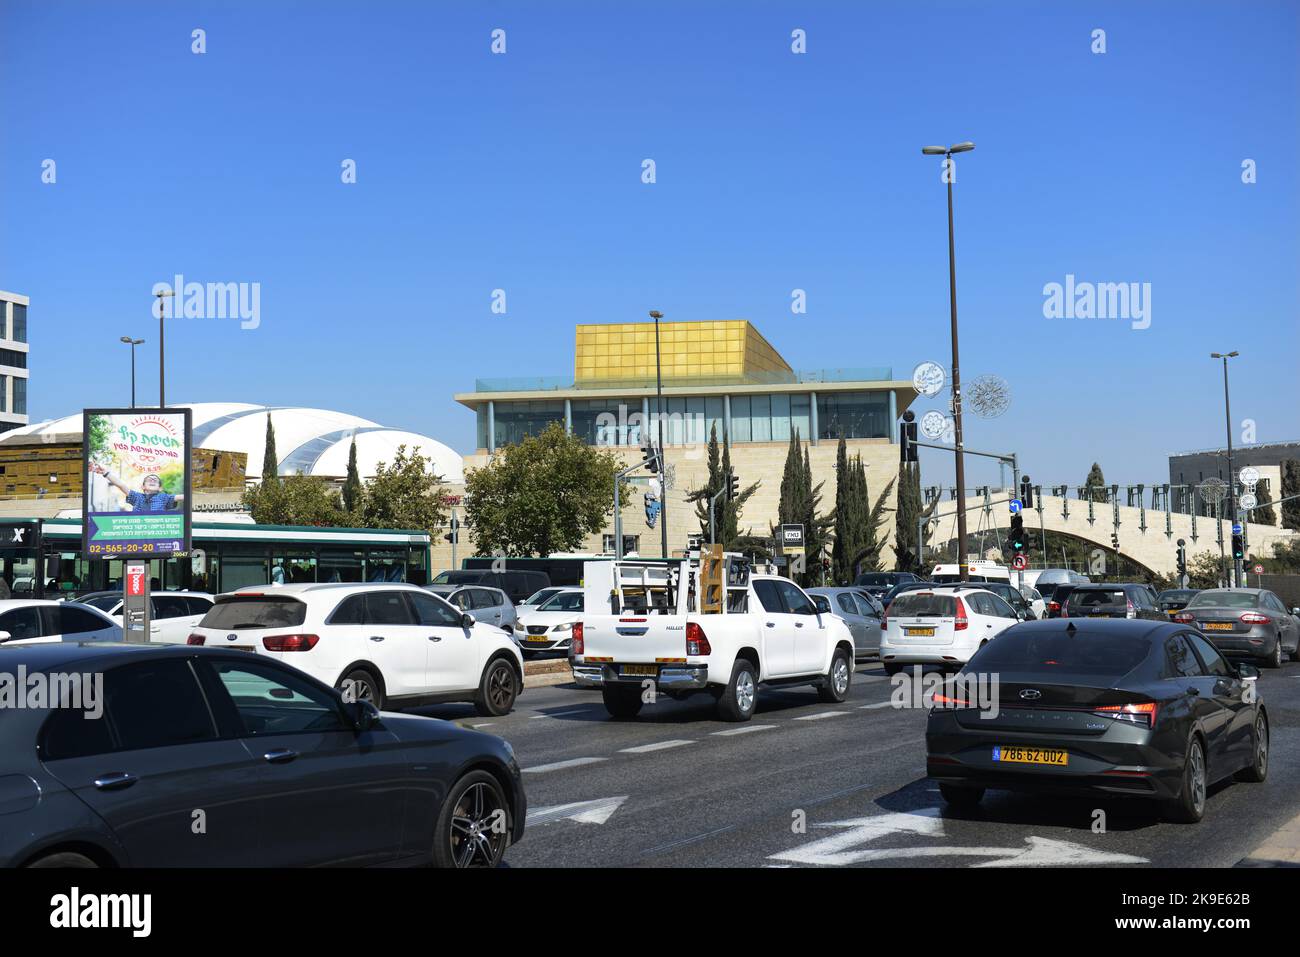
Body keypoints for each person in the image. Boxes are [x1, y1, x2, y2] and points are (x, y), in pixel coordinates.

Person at [90, 464, 183, 512]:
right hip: (139, 533)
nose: (152, 480)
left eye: (155, 480)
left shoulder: (164, 497)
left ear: (160, 488)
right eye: (149, 480)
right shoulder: (137, 497)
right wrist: (105, 473)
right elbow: (121, 485)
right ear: (143, 487)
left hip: (156, 533)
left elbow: (182, 497)